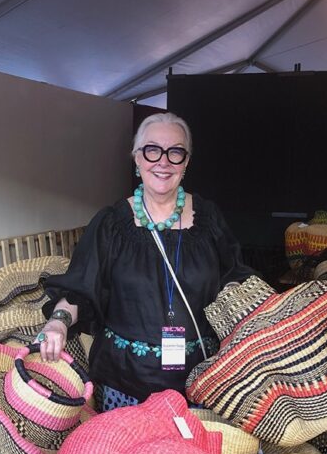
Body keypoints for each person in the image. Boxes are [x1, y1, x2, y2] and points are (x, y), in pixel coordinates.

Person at [37, 112, 255, 411]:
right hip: (125, 382)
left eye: (175, 152)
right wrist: (58, 324)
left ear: (186, 161)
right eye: (152, 150)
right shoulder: (111, 223)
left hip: (200, 379)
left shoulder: (208, 219)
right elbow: (79, 289)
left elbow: (236, 281)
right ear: (137, 158)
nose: (163, 161)